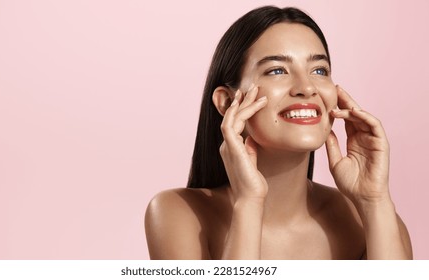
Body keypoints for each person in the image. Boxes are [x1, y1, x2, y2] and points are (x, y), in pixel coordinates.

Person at [144, 6, 412, 259]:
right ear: (227, 102)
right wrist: (249, 203)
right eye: (277, 70)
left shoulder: (369, 218)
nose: (306, 88)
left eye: (319, 70)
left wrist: (374, 200)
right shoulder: (178, 213)